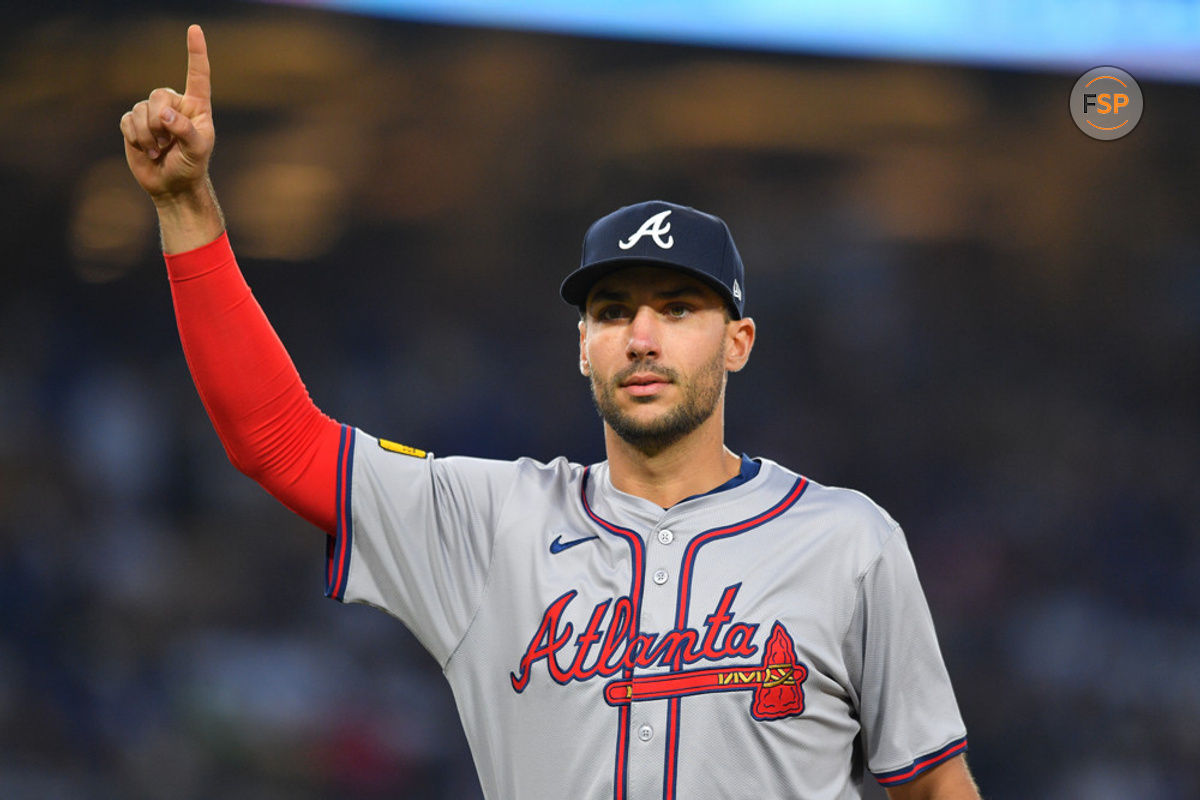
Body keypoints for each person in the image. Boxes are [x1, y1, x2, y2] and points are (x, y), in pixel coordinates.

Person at [121, 25, 983, 800]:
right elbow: (277, 440)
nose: (642, 336)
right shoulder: (493, 524)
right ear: (582, 345)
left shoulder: (849, 543)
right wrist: (186, 209)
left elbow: (936, 786)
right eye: (613, 312)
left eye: (678, 309)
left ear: (739, 342)